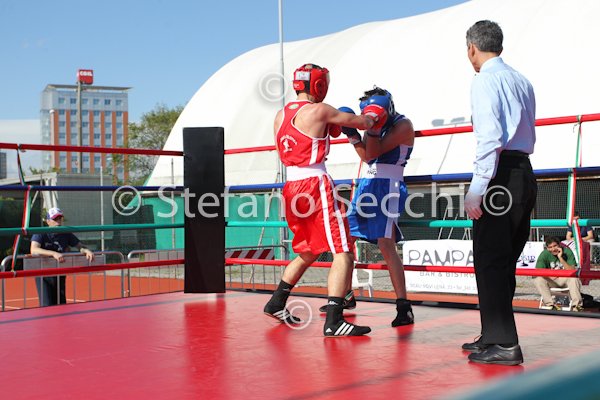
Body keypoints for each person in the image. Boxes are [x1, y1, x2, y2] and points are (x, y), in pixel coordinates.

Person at [263, 63, 386, 337]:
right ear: (319, 85)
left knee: (308, 250)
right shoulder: (320, 110)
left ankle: (276, 302)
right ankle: (334, 321)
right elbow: (365, 123)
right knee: (344, 250)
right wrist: (374, 112)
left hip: (291, 187)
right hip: (314, 184)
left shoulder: (280, 115)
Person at [462, 21, 537, 365]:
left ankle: (504, 343)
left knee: (490, 259)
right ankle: (493, 334)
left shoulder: (484, 81)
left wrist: (477, 188)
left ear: (472, 48)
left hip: (499, 176)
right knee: (504, 261)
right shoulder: (522, 80)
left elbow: (490, 137)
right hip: (523, 171)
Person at [317, 87, 416, 327]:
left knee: (386, 244)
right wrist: (353, 135)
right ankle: (346, 295)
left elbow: (373, 153)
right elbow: (367, 157)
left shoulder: (403, 125)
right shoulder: (377, 125)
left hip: (389, 186)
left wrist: (370, 130)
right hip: (367, 185)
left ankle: (404, 307)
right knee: (346, 239)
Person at [30, 207, 95, 306]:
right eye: (55, 219)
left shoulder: (66, 233)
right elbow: (34, 249)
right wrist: (53, 253)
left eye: (60, 218)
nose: (58, 221)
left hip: (60, 272)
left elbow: (79, 246)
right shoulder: (41, 232)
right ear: (48, 221)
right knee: (47, 304)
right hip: (43, 274)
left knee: (61, 303)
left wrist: (86, 250)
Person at [534, 236, 583, 311]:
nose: (553, 249)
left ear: (559, 245)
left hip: (565, 278)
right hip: (551, 279)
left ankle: (577, 306)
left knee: (574, 278)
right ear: (547, 248)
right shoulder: (544, 254)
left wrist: (560, 258)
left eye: (555, 246)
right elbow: (539, 271)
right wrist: (551, 275)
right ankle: (550, 304)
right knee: (538, 279)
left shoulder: (567, 252)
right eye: (550, 247)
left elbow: (572, 270)